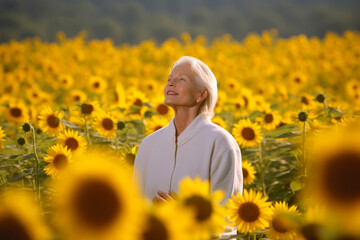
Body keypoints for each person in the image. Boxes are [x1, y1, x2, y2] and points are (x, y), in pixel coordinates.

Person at [133, 55, 243, 207]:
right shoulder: (149, 145)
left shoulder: (221, 142)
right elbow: (134, 206)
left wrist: (184, 217)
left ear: (202, 94)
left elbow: (226, 219)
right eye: (170, 79)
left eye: (182, 79)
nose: (171, 82)